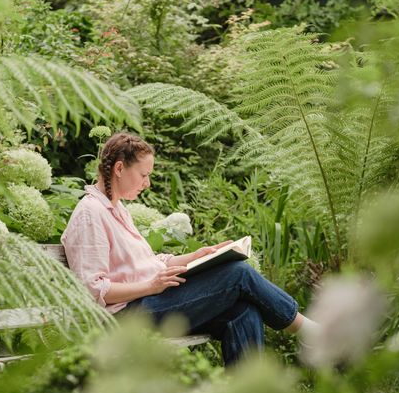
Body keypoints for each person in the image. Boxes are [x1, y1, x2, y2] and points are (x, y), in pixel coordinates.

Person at [61, 131, 316, 365]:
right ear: (119, 168)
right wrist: (150, 286)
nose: (147, 183)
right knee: (238, 273)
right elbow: (93, 289)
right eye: (144, 174)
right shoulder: (91, 213)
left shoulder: (117, 210)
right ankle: (307, 330)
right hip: (127, 317)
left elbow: (149, 263)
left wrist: (196, 256)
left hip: (151, 303)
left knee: (244, 312)